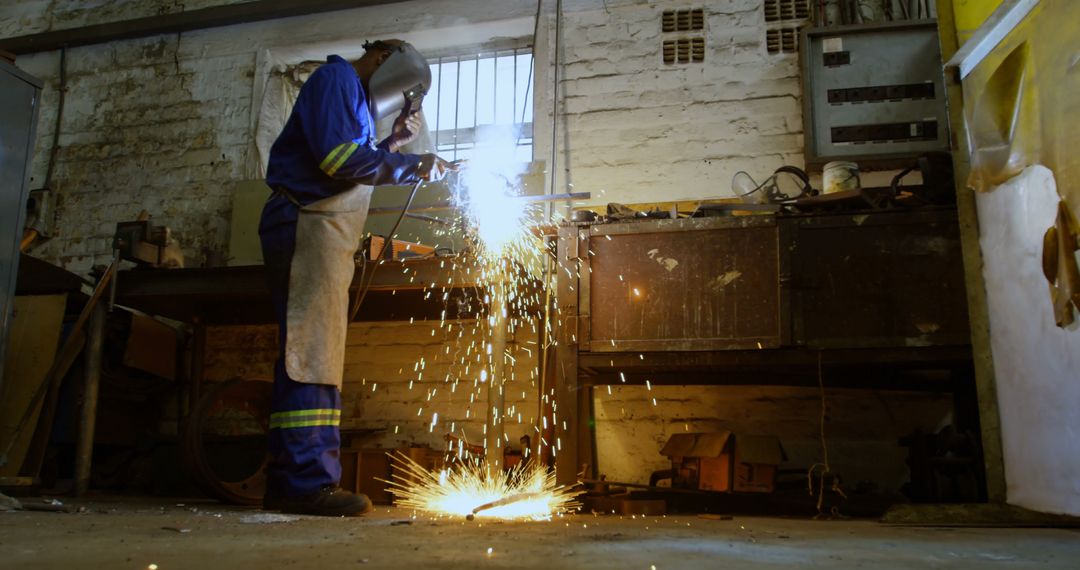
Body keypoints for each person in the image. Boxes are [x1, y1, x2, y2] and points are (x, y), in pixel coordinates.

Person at [258, 39, 455, 517]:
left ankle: (293, 482)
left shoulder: (358, 104)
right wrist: (411, 167)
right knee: (309, 354)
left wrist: (392, 147)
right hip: (305, 223)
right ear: (384, 59)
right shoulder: (336, 80)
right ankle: (305, 484)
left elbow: (350, 165)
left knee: (313, 355)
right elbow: (336, 162)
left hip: (321, 231)